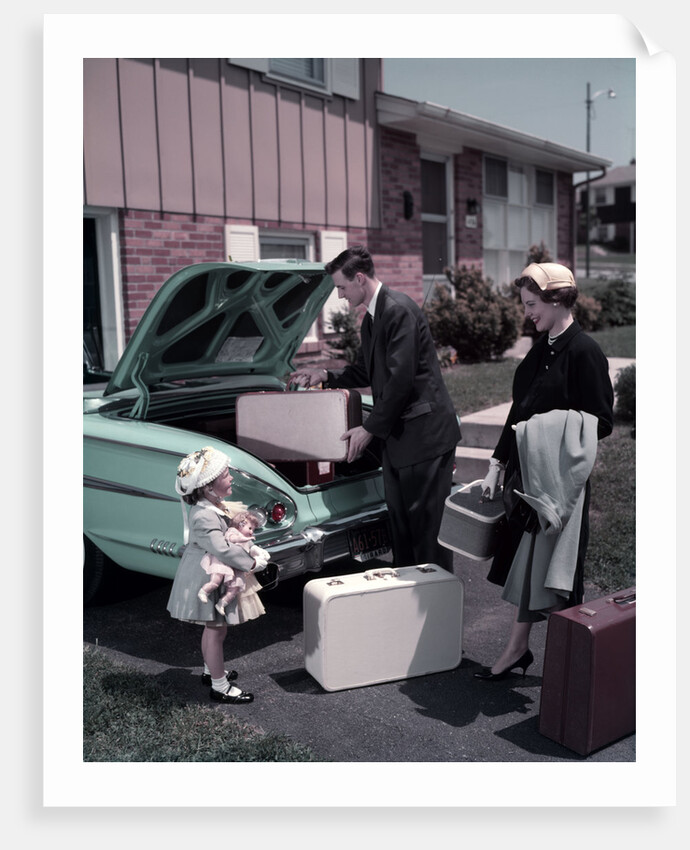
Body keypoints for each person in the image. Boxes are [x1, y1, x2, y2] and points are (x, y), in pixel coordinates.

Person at [474, 262, 614, 681]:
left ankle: (574, 671)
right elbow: (519, 412)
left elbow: (602, 421)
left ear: (556, 300)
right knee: (531, 562)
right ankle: (518, 649)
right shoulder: (542, 348)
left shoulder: (585, 351)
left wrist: (546, 430)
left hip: (559, 481)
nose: (527, 313)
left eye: (532, 304)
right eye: (525, 305)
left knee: (560, 574)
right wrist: (497, 462)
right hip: (528, 478)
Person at [289, 245, 461, 570]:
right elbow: (367, 372)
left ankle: (437, 599)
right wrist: (325, 374)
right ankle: (408, 594)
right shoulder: (371, 319)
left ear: (359, 278)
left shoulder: (398, 310)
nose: (340, 295)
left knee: (426, 536)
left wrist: (368, 429)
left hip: (424, 439)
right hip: (399, 439)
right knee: (402, 532)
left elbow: (400, 382)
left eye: (342, 287)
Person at [167, 446, 266, 704]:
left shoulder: (213, 506)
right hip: (207, 573)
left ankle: (211, 671)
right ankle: (220, 686)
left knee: (215, 629)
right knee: (215, 630)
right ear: (208, 486)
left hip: (215, 570)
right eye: (225, 475)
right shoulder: (204, 516)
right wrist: (251, 563)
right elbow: (221, 548)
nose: (231, 477)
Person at [198, 510, 270, 616]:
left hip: (236, 567)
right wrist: (243, 539)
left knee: (234, 589)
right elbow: (232, 539)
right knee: (216, 580)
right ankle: (204, 591)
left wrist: (258, 551)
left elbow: (250, 547)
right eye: (250, 528)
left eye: (253, 530)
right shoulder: (233, 531)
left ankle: (222, 603)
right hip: (224, 562)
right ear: (241, 524)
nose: (251, 532)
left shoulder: (247, 539)